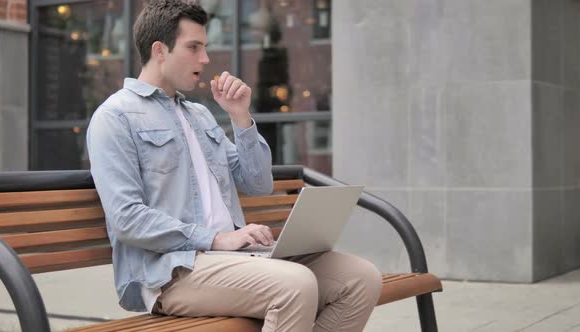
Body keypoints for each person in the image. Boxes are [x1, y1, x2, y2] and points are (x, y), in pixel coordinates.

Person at [86, 1, 381, 331]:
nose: (205, 59)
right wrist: (216, 239)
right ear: (160, 50)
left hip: (237, 259)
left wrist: (241, 118)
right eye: (194, 47)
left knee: (361, 279)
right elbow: (126, 218)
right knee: (296, 285)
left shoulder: (199, 115)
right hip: (173, 271)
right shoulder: (115, 117)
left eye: (205, 47)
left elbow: (258, 184)